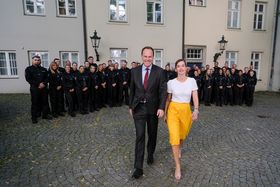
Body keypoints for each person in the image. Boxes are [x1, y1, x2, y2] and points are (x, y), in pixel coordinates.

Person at [129, 46, 167, 179]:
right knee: (140, 136)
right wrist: (130, 106)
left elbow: (163, 91)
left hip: (153, 109)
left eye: (150, 56)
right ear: (141, 56)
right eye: (145, 56)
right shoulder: (134, 71)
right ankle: (138, 167)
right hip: (138, 108)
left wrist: (161, 107)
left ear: (153, 57)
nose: (147, 58)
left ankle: (150, 153)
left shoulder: (160, 72)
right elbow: (132, 90)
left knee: (152, 134)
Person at [164, 59, 199, 180]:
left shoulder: (192, 81)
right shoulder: (171, 83)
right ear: (175, 69)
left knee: (181, 135)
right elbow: (168, 99)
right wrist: (165, 113)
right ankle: (178, 166)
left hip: (186, 110)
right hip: (173, 110)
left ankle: (179, 148)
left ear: (186, 68)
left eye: (182, 66)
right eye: (178, 66)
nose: (180, 68)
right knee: (174, 137)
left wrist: (196, 110)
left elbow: (194, 96)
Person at [25, 55, 52, 123]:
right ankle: (34, 117)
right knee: (35, 103)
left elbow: (47, 78)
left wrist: (44, 83)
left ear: (40, 61)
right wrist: (38, 84)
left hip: (44, 88)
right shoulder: (28, 69)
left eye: (38, 60)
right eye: (35, 60)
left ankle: (45, 115)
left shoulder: (43, 69)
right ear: (32, 61)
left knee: (45, 102)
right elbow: (28, 79)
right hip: (35, 89)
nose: (37, 61)